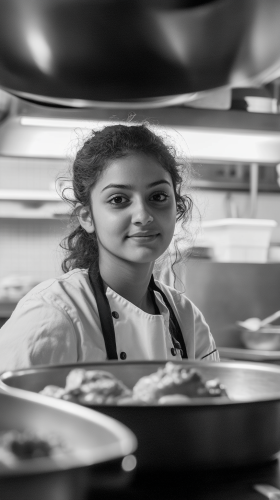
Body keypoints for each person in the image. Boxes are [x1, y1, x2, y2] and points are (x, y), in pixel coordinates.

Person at [0, 123, 219, 372]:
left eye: (158, 197)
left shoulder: (187, 318)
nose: (143, 216)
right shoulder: (53, 312)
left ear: (176, 207)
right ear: (87, 217)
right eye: (118, 200)